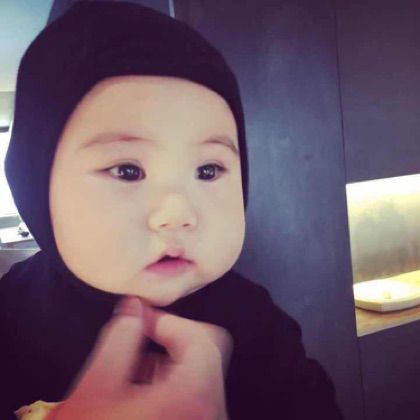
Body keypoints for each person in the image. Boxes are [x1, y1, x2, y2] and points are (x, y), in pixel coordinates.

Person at [0, 2, 343, 419]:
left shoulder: (254, 323)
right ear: (35, 184)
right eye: (127, 171)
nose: (177, 214)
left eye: (208, 170)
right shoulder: (10, 320)